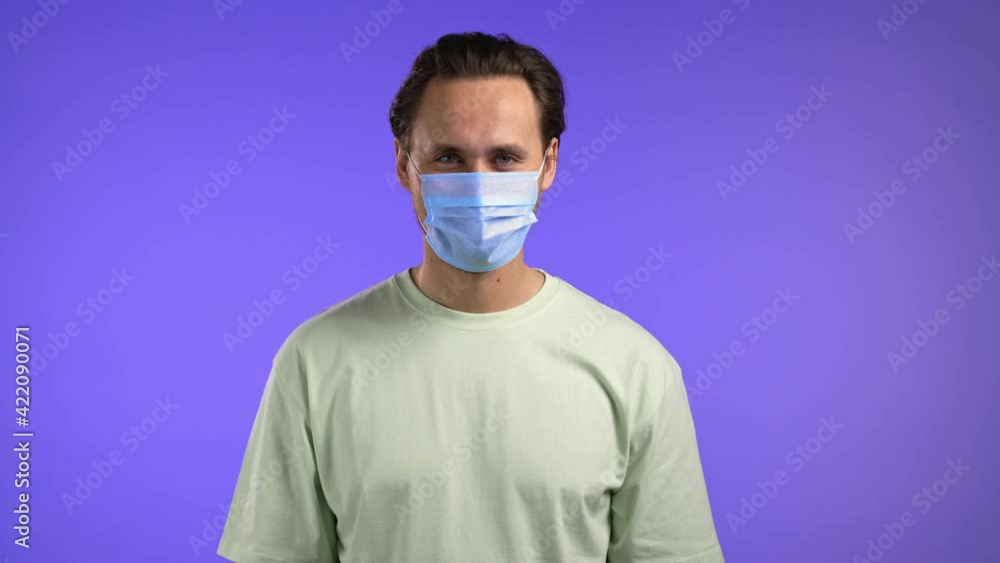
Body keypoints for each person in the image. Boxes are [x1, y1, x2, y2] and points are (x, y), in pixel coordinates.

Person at [217, 31, 725, 563]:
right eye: (448, 157)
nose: (478, 185)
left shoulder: (634, 369)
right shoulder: (316, 361)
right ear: (403, 164)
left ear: (549, 164)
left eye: (504, 158)